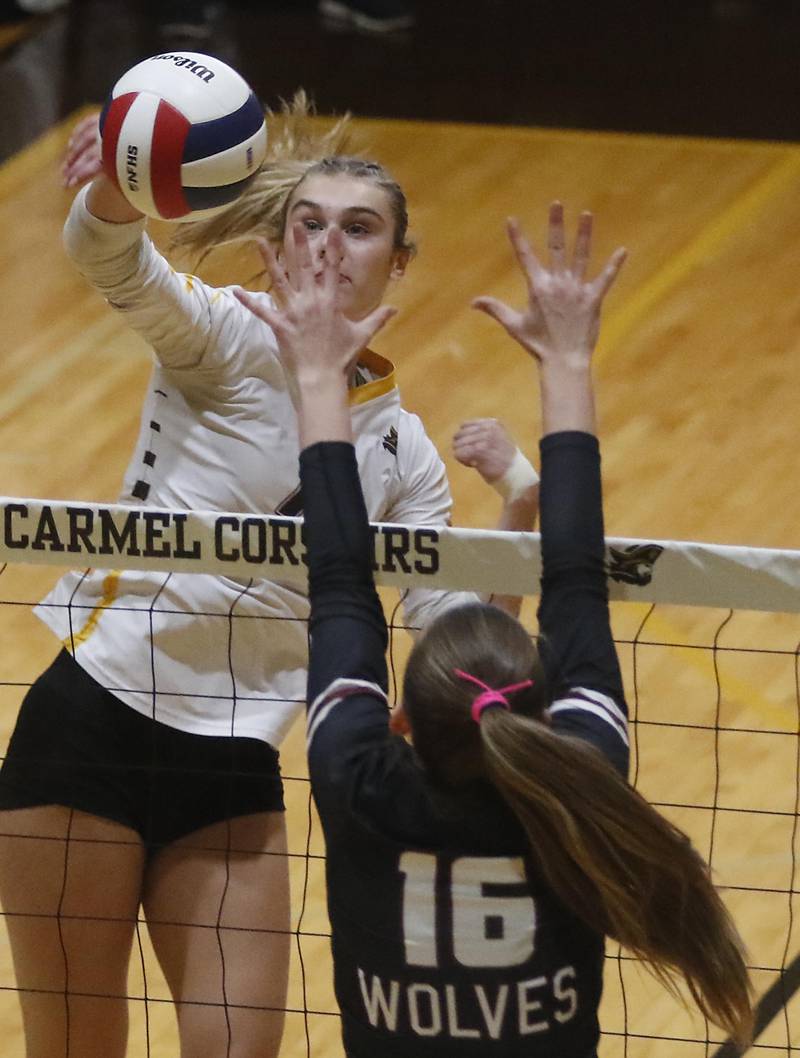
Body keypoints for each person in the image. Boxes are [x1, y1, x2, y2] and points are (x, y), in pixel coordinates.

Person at [0, 97, 539, 1058]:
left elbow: (463, 665)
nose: (331, 245)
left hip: (237, 768)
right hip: (90, 735)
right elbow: (107, 258)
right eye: (311, 222)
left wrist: (521, 514)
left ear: (399, 263)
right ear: (278, 249)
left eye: (361, 228)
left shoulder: (406, 458)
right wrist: (126, 186)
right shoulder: (222, 340)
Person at [235, 201, 755, 1056]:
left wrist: (320, 380)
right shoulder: (573, 788)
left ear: (402, 720)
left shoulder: (367, 786)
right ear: (541, 710)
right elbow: (573, 577)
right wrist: (569, 361)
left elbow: (338, 583)